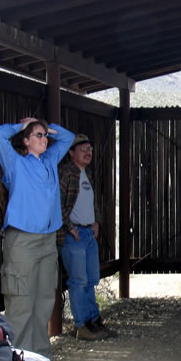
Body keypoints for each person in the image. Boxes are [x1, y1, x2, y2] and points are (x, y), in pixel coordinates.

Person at [0, 117, 74, 361]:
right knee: (21, 301)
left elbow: (68, 138)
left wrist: (46, 127)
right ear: (26, 141)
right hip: (23, 241)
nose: (44, 139)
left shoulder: (50, 161)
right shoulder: (16, 163)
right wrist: (23, 125)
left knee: (43, 301)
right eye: (37, 136)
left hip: (47, 240)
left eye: (44, 136)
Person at [58, 133, 114, 341]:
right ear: (71, 153)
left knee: (90, 279)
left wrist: (96, 221)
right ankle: (81, 325)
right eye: (82, 149)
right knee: (79, 281)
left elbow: (93, 203)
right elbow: (57, 203)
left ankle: (93, 321)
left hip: (88, 233)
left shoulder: (87, 174)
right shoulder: (66, 173)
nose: (88, 153)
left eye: (89, 149)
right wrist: (70, 226)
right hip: (75, 235)